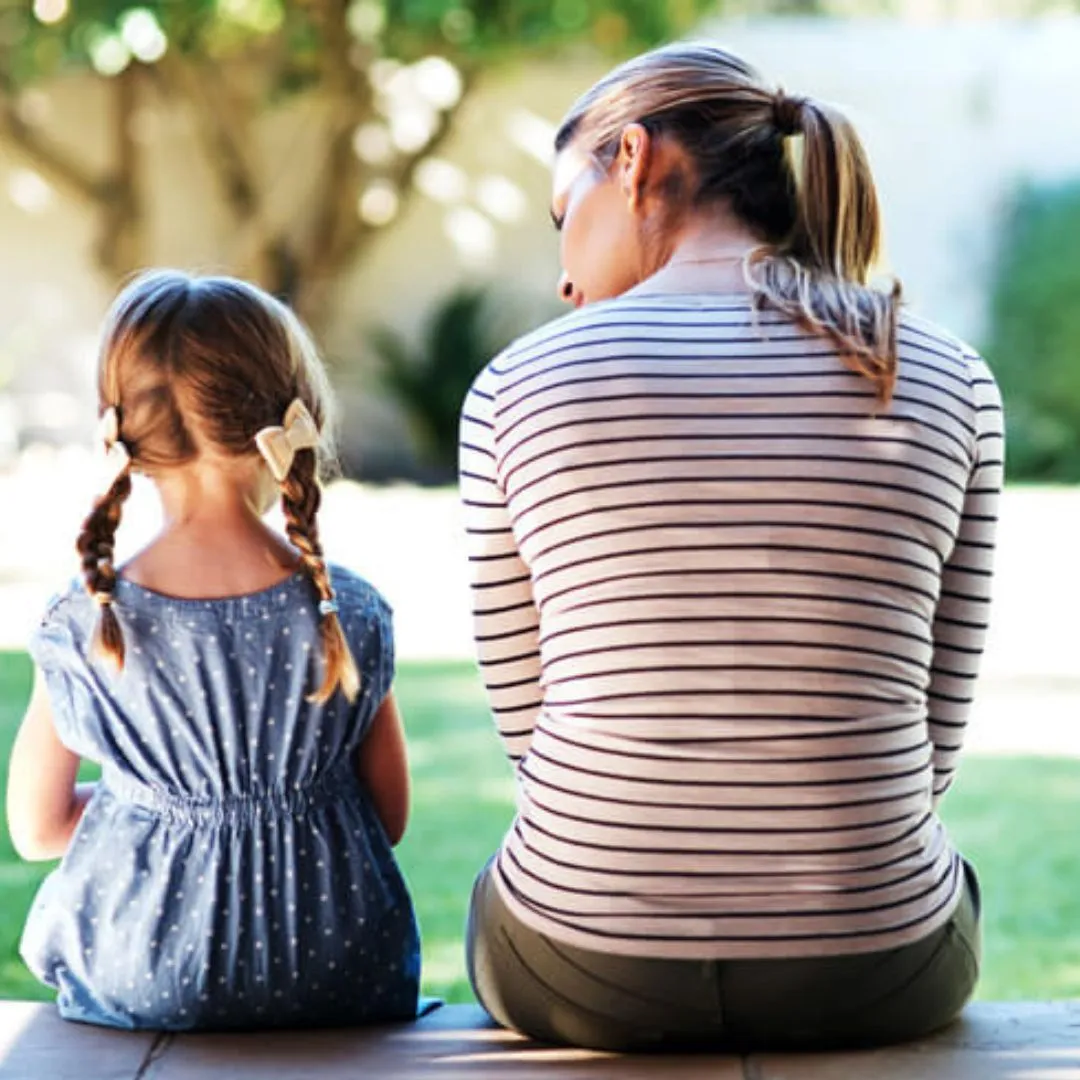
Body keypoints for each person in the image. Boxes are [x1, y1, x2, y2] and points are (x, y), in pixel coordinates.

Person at [459, 42, 1003, 1052]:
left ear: (631, 160)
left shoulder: (515, 387)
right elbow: (933, 732)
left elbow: (531, 732)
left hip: (583, 967)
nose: (563, 274)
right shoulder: (945, 375)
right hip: (876, 967)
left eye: (560, 215)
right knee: (948, 879)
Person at [7, 270, 420, 1030]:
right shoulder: (349, 609)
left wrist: (156, 804)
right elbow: (386, 816)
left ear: (121, 432)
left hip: (144, 977)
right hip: (338, 972)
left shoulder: (85, 620)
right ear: (293, 418)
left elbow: (36, 830)